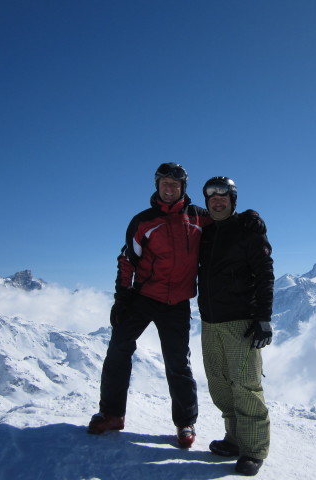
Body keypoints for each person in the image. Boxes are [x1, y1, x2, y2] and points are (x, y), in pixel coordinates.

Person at [88, 163, 264, 450]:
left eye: (175, 184)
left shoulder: (198, 218)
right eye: (164, 183)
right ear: (157, 186)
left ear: (184, 188)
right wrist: (122, 299)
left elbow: (226, 218)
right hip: (143, 297)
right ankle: (111, 414)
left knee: (178, 363)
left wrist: (250, 217)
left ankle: (185, 423)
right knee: (118, 350)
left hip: (177, 303)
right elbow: (127, 261)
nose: (169, 189)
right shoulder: (143, 221)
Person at [197, 176, 274, 476]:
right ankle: (234, 440)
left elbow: (265, 272)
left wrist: (263, 317)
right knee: (220, 384)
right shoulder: (206, 232)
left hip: (241, 320)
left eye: (223, 196)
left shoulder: (247, 228)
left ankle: (254, 451)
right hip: (209, 321)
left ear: (233, 199)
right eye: (211, 196)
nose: (217, 200)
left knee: (245, 386)